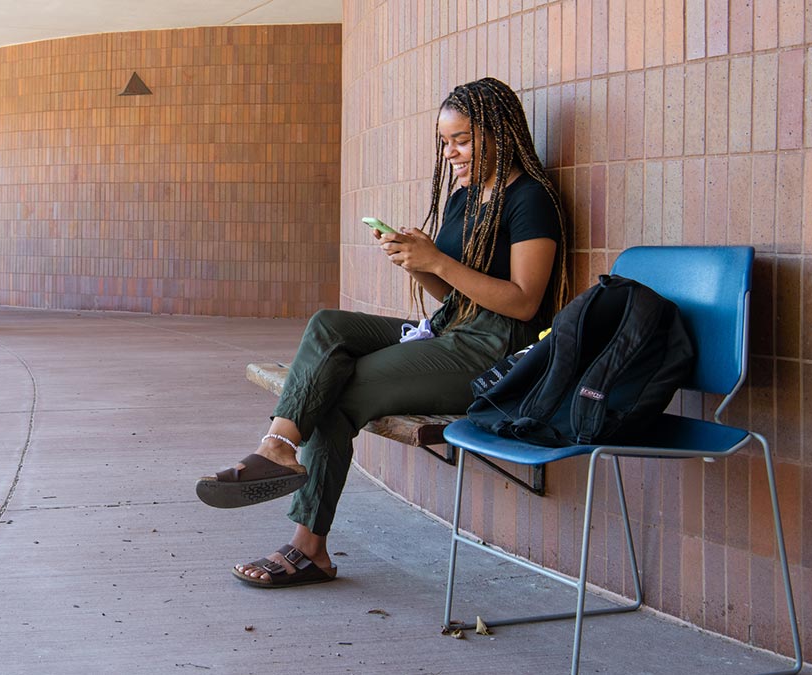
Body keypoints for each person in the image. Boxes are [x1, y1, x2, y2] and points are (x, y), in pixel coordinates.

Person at [195, 78, 569, 588]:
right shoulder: (464, 197)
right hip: (449, 330)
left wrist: (437, 258)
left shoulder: (531, 199)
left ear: (499, 133)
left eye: (461, 139)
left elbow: (524, 300)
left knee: (339, 389)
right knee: (330, 325)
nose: (451, 153)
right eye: (445, 142)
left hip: (495, 349)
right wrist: (415, 262)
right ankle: (277, 446)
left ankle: (309, 550)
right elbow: (454, 296)